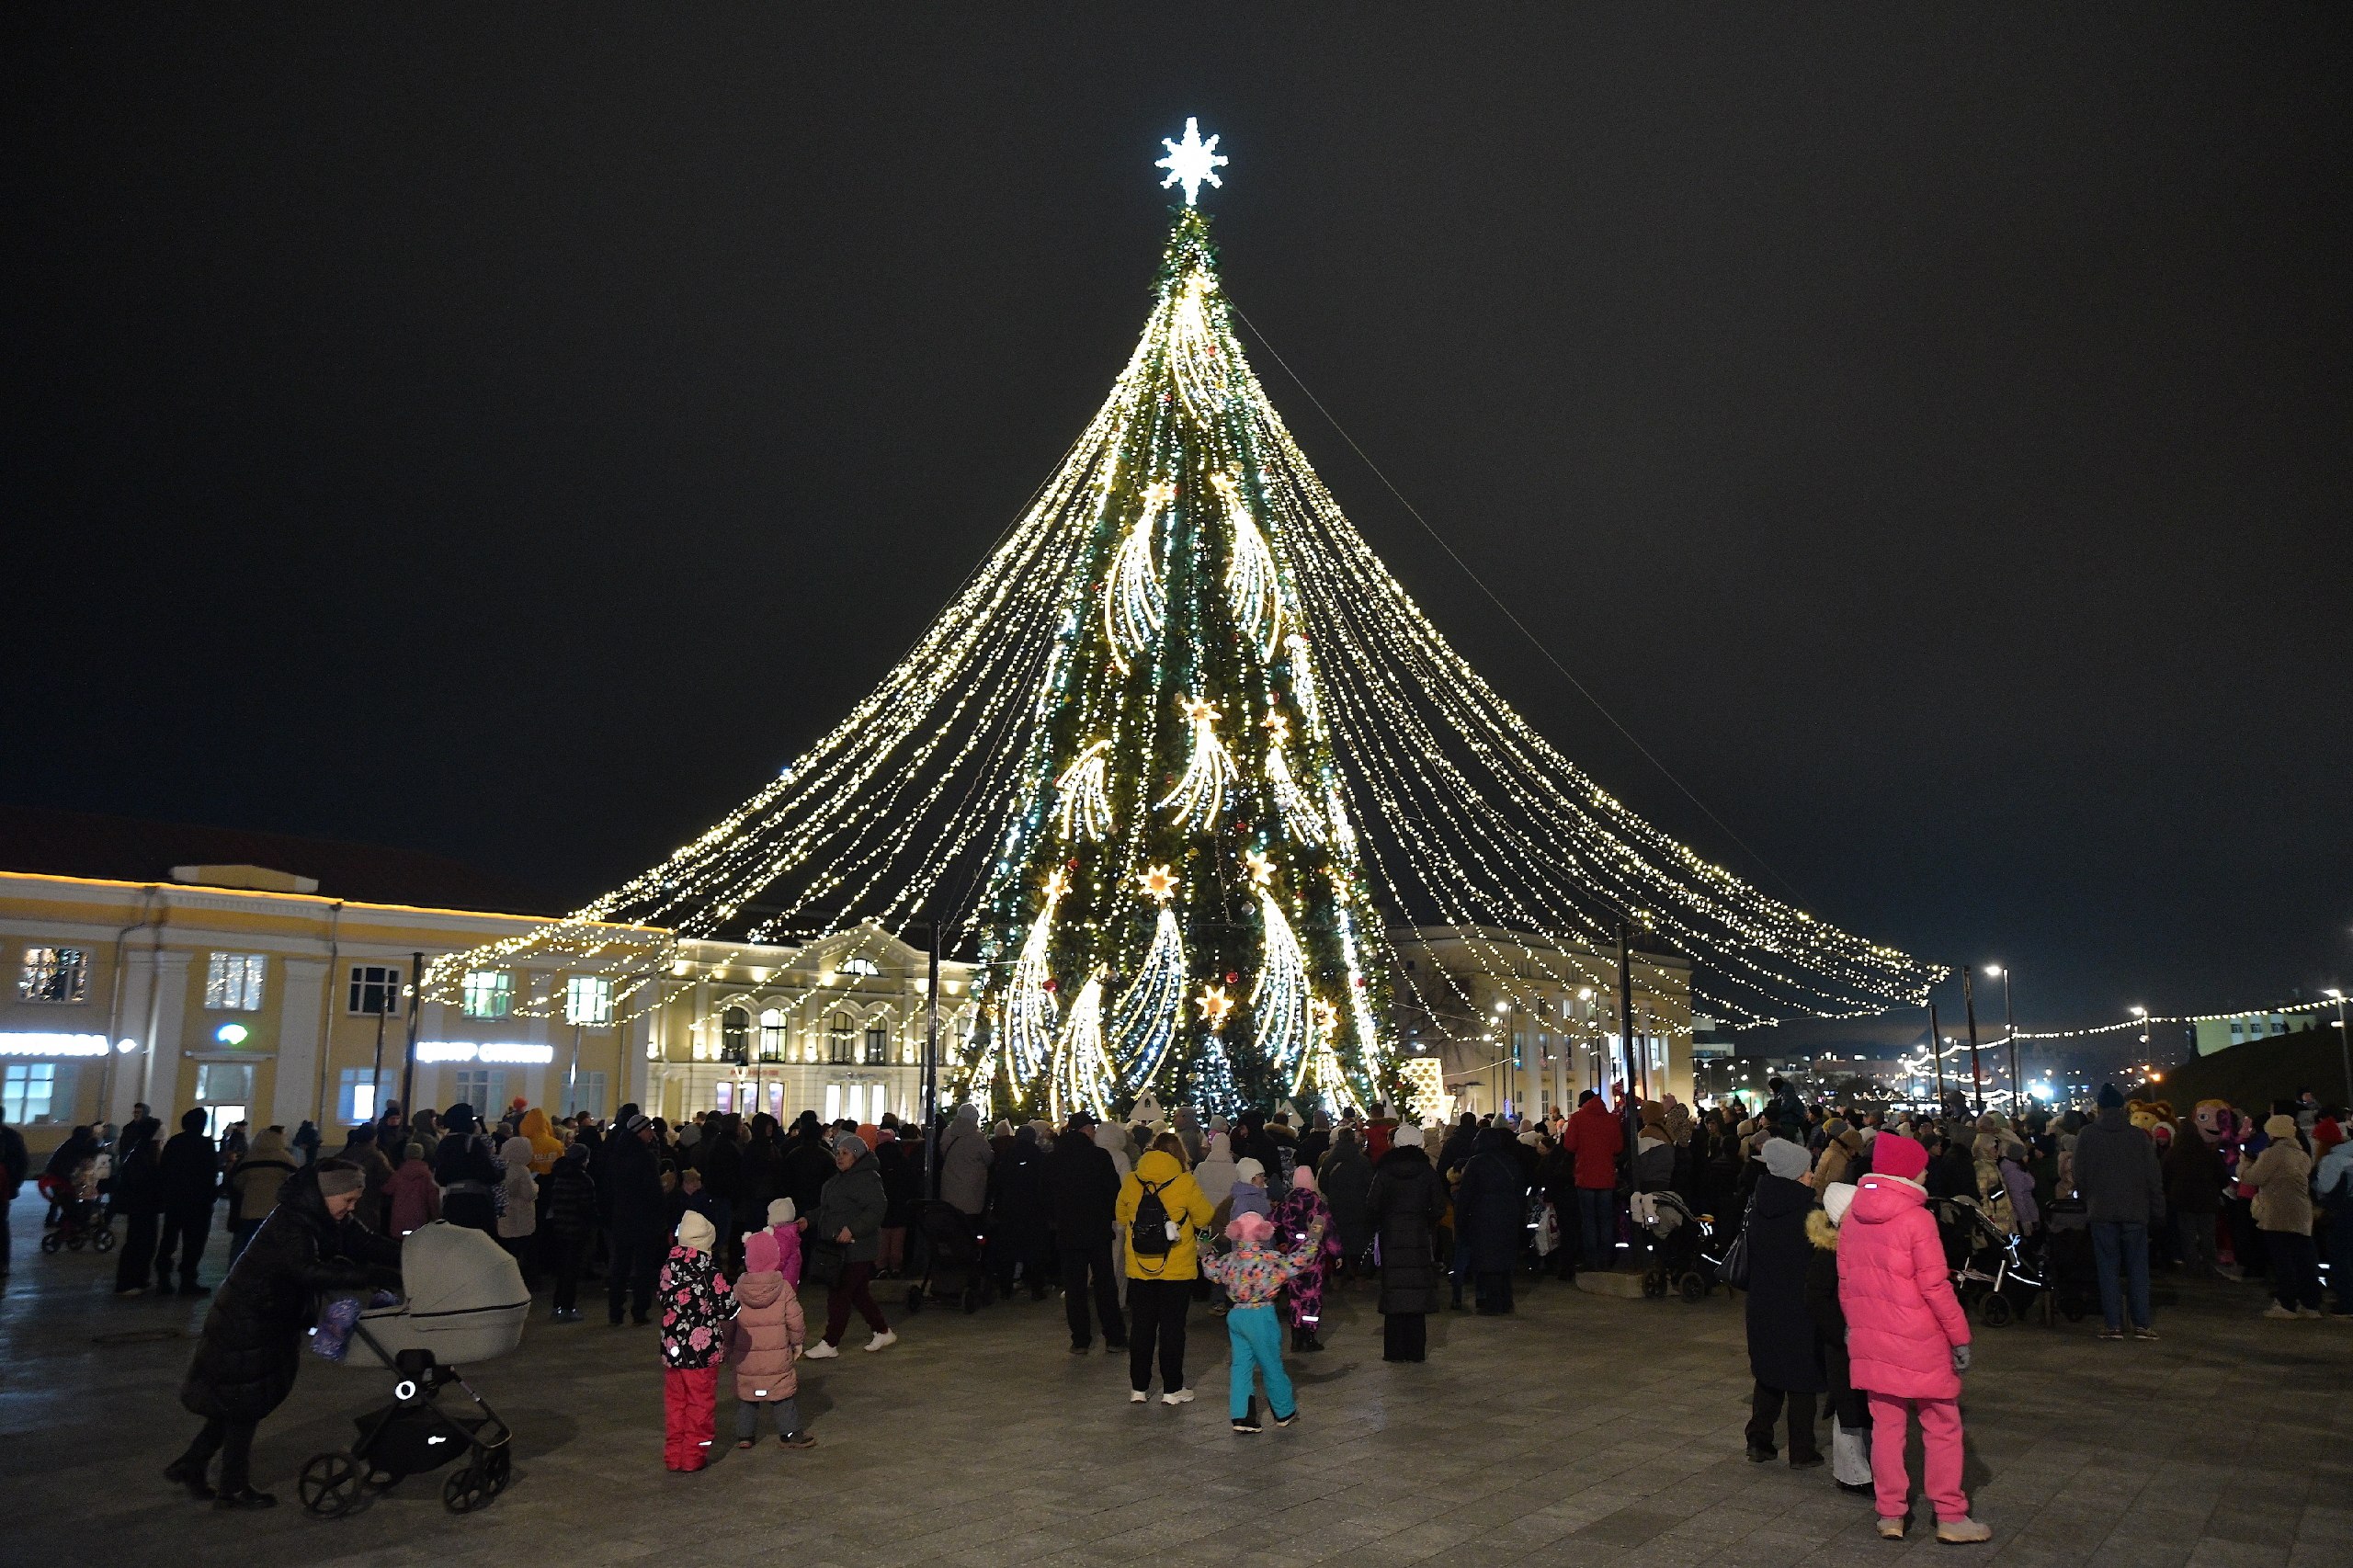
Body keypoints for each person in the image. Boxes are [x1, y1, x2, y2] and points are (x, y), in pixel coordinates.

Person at [166, 1160, 403, 1507]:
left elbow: (365, 1243)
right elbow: (307, 1270)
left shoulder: (323, 1216)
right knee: (245, 1405)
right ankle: (232, 1489)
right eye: (348, 1201)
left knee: (234, 1402)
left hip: (267, 1316)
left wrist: (409, 1255)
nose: (351, 1208)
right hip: (248, 1319)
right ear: (326, 1193)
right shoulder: (292, 1222)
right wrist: (370, 1276)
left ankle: (192, 1463)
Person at [1838, 1134, 1988, 1544]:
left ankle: (1890, 1514)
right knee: (1942, 1425)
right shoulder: (1916, 1219)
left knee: (1886, 1426)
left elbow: (1846, 1282)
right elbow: (1936, 1287)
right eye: (1921, 1166)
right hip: (1920, 1339)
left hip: (1872, 1339)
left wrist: (1856, 1327)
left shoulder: (1853, 1215)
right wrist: (1959, 1337)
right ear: (1907, 1171)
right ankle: (1951, 1516)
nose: (1927, 1171)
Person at [1201, 1208, 1326, 1433]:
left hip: (1236, 1315)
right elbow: (1298, 1262)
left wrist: (1205, 1252)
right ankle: (1284, 1411)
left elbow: (1212, 1271)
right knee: (1271, 1364)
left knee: (1240, 1365)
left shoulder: (1230, 1260)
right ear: (1262, 1232)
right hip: (1261, 1315)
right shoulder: (1270, 1260)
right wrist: (1313, 1238)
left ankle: (1242, 1417)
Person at [1743, 1138, 1825, 1466]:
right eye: (1807, 1171)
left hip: (1762, 1302)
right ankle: (1802, 1449)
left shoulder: (1756, 1206)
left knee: (1769, 1372)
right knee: (1803, 1377)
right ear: (1794, 1175)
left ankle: (1759, 1440)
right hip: (1799, 1305)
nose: (1811, 1176)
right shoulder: (1811, 1215)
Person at [1114, 1138, 1214, 1403]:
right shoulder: (1184, 1182)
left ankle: (1138, 1387)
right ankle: (1172, 1389)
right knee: (1172, 1328)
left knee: (1141, 1327)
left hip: (1140, 1265)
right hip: (1176, 1269)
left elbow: (1122, 1218)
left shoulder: (1132, 1180)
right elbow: (1205, 1217)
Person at [2075, 1083, 2165, 1340]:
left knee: (2108, 1268)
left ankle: (2113, 1324)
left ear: (2100, 1108)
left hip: (2101, 1210)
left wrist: (2087, 1197)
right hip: (2135, 1210)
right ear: (2123, 1108)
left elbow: (2079, 1173)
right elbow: (2152, 1176)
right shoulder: (2138, 1137)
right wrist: (2158, 1208)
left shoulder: (2087, 1135)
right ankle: (2142, 1324)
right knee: (2138, 1268)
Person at [1807, 1181, 1872, 1494]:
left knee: (1862, 1406)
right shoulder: (1829, 1250)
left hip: (1862, 1338)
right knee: (1848, 1409)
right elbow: (1817, 1298)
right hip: (1842, 1343)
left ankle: (1867, 1467)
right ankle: (1852, 1474)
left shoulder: (1861, 1242)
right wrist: (1841, 1333)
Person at [658, 1211, 735, 1472]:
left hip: (673, 1348)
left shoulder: (669, 1266)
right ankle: (693, 1456)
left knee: (676, 1403)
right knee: (700, 1404)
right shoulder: (708, 1271)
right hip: (701, 1352)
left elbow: (663, 1298)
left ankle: (673, 1455)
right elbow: (729, 1307)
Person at [804, 1133, 893, 1357]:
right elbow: (829, 1209)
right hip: (840, 1247)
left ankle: (830, 1342)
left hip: (857, 1247)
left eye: (845, 1153)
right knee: (858, 1294)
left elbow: (876, 1209)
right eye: (838, 1153)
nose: (839, 1157)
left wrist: (853, 1228)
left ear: (857, 1155)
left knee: (839, 1293)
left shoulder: (867, 1179)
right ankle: (882, 1330)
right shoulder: (841, 1178)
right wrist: (809, 1219)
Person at [1365, 1122, 1446, 1362]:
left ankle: (1394, 1350)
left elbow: (1372, 1205)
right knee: (1416, 1292)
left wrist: (1384, 1221)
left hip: (1392, 1237)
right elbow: (1439, 1206)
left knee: (1394, 1291)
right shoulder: (1427, 1171)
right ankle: (1415, 1350)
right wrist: (1424, 1220)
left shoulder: (1385, 1170)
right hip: (1418, 1237)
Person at [1046, 1109, 1126, 1354]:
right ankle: (1114, 1337)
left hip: (1068, 1232)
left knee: (1075, 1287)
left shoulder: (1055, 1158)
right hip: (1097, 1230)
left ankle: (1080, 1339)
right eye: (1092, 1128)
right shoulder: (1099, 1157)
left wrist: (1056, 1219)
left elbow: (1046, 1193)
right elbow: (1114, 1191)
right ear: (1085, 1130)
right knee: (1105, 1284)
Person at [729, 1227, 813, 1449]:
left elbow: (728, 1322)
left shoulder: (738, 1289)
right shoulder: (783, 1288)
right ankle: (791, 1433)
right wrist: (797, 1342)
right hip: (776, 1358)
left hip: (746, 1357)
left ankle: (745, 1435)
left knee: (749, 1395)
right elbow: (795, 1319)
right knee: (782, 1395)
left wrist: (726, 1347)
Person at [2241, 1114, 2323, 1319]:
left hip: (2278, 1213)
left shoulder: (2272, 1154)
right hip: (2301, 1213)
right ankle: (2310, 1304)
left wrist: (2244, 1164)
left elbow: (2253, 1178)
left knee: (2283, 1260)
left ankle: (2287, 1304)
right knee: (2305, 1260)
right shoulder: (2302, 1154)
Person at [1452, 1123, 1528, 1313]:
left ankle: (1491, 1302)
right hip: (1508, 1214)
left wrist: (1460, 1221)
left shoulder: (1476, 1163)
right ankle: (1505, 1300)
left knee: (1488, 1260)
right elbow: (1520, 1190)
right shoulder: (1510, 1161)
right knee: (1504, 1258)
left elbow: (1465, 1195)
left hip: (1483, 1216)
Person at [607, 1111, 668, 1326]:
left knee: (620, 1267)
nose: (651, 1133)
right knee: (642, 1268)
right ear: (641, 1131)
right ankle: (639, 1310)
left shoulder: (617, 1153)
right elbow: (653, 1192)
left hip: (622, 1218)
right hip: (643, 1220)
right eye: (648, 1129)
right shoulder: (644, 1157)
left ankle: (615, 1311)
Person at [1272, 1165, 1340, 1350]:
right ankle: (1309, 1335)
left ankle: (1295, 1335)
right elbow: (1330, 1232)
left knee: (1295, 1297)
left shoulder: (1287, 1204)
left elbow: (1270, 1222)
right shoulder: (1319, 1205)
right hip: (1314, 1258)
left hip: (1293, 1257)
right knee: (1312, 1296)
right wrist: (1337, 1253)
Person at [1561, 1090, 1624, 1274]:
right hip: (1606, 1177)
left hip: (1585, 1176)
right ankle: (1606, 1259)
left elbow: (1569, 1145)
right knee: (1606, 1220)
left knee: (1588, 1221)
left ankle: (1592, 1260)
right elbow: (1618, 1147)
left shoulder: (1578, 1118)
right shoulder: (1611, 1119)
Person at [543, 1138, 598, 1321]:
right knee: (572, 1270)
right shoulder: (584, 1180)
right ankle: (567, 1307)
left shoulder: (559, 1175)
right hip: (576, 1229)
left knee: (563, 1269)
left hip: (560, 1227)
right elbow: (586, 1207)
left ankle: (557, 1305)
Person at [111, 1109, 165, 1295]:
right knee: (137, 1242)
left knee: (147, 1242)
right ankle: (127, 1282)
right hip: (141, 1204)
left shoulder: (143, 1151)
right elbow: (140, 1181)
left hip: (146, 1205)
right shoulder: (141, 1154)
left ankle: (140, 1279)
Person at [434, 1105, 501, 1235]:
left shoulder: (444, 1143)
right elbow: (489, 1173)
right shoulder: (473, 1143)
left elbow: (440, 1177)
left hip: (451, 1201)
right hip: (475, 1202)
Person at [1317, 1129, 1374, 1273]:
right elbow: (1370, 1184)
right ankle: (1358, 1276)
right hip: (1358, 1206)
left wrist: (1333, 1194)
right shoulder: (1363, 1161)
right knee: (1357, 1240)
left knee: (1337, 1238)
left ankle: (1337, 1275)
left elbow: (1322, 1183)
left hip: (1336, 1205)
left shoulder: (1329, 1160)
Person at [495, 1129, 540, 1286]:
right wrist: (536, 1187)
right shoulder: (522, 1170)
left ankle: (504, 1280)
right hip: (522, 1215)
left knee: (507, 1251)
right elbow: (529, 1194)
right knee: (524, 1250)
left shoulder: (501, 1167)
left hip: (505, 1213)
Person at [938, 1104, 994, 1217]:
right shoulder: (978, 1138)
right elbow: (989, 1159)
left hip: (948, 1190)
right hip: (971, 1191)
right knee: (969, 1226)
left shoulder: (947, 1133)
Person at [383, 1141, 439, 1236]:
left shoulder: (398, 1174)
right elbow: (433, 1199)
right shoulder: (427, 1176)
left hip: (399, 1217)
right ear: (422, 1155)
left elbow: (387, 1190)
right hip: (420, 1218)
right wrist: (436, 1218)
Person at [0, 1108, 26, 1276]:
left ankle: (3, 1263)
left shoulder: (10, 1137)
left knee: (1, 1224)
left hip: (3, 1186)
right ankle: (3, 1264)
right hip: (4, 1186)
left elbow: (22, 1163)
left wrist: (13, 1184)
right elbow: (22, 1163)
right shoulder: (12, 1136)